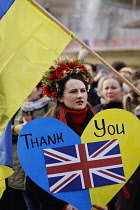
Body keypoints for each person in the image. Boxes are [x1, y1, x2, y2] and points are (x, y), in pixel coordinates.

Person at [26, 57, 115, 210]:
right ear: (60, 97)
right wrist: (63, 205)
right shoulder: (46, 129)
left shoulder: (102, 126)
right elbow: (34, 178)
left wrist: (107, 204)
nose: (80, 96)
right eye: (73, 91)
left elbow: (114, 169)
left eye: (83, 90)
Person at [0, 82, 55, 210]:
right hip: (21, 166)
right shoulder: (16, 107)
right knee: (30, 205)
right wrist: (17, 129)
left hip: (43, 164)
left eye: (30, 87)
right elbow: (4, 129)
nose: (27, 92)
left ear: (40, 90)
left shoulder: (51, 106)